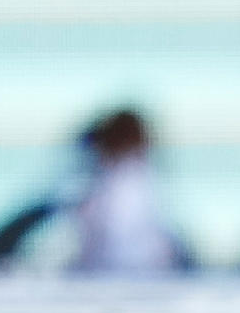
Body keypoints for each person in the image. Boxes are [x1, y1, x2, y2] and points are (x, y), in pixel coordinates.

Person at [69, 107, 182, 274]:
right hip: (136, 275)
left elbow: (115, 247)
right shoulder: (134, 181)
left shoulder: (122, 183)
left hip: (125, 275)